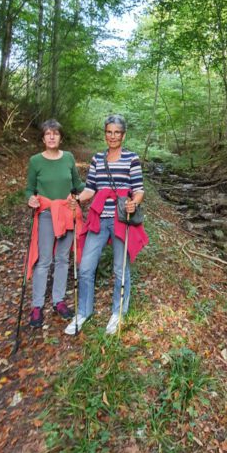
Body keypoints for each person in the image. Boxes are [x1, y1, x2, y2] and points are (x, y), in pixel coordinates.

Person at [65, 114, 148, 336]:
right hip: (100, 217)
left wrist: (134, 203)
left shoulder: (131, 159)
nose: (112, 136)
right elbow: (91, 188)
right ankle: (83, 312)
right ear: (105, 134)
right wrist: (78, 199)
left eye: (117, 132)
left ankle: (118, 312)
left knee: (121, 268)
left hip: (122, 218)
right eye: (109, 132)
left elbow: (139, 189)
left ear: (123, 134)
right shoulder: (97, 159)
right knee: (85, 267)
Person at [25, 119, 84, 328]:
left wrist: (95, 186)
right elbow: (29, 189)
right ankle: (37, 305)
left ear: (60, 137)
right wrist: (30, 199)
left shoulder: (68, 158)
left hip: (67, 213)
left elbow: (78, 185)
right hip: (47, 214)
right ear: (43, 138)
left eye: (55, 133)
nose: (51, 137)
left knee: (62, 259)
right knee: (44, 260)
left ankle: (58, 301)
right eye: (48, 133)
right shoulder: (35, 161)